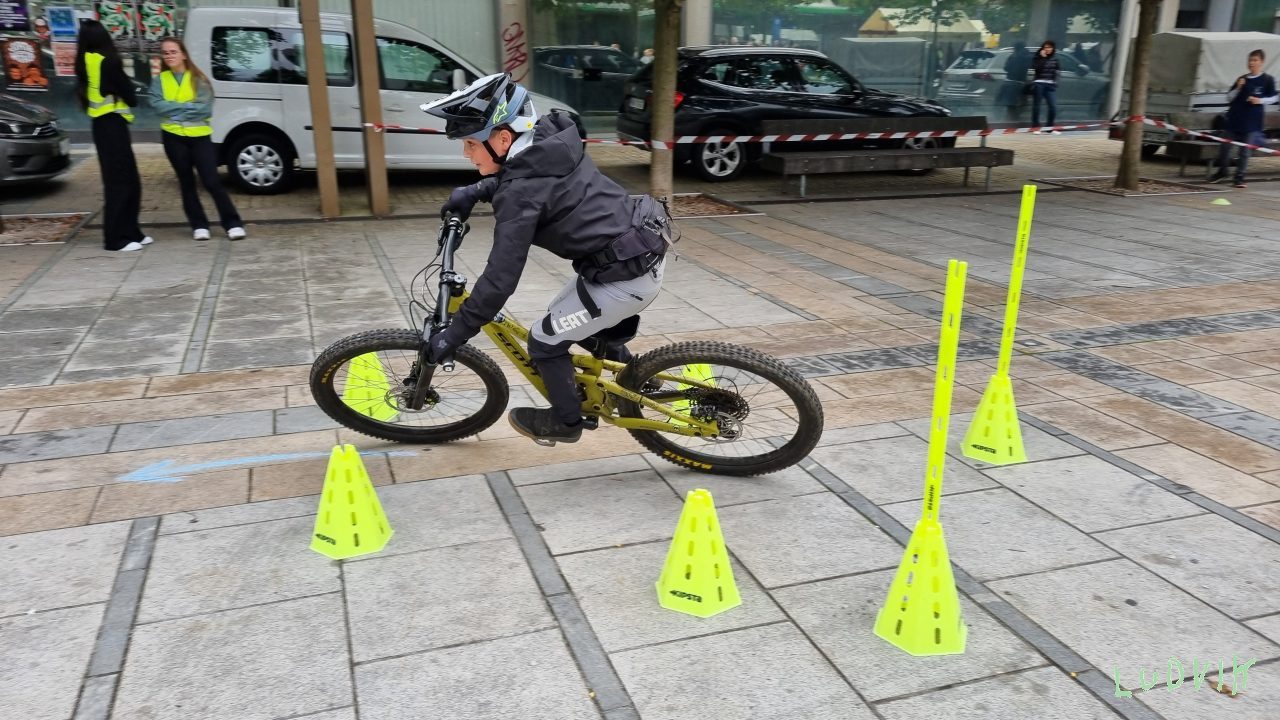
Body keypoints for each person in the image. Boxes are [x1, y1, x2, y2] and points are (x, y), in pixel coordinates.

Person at [421, 73, 671, 445]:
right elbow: (529, 175)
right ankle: (637, 376)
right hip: (633, 254)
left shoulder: (521, 194)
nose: (466, 154)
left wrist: (455, 335)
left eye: (471, 144)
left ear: (503, 139)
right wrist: (475, 190)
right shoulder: (551, 140)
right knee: (564, 315)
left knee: (543, 341)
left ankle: (566, 422)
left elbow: (500, 279)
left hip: (625, 277)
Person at [149, 37, 246, 241]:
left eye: (173, 52)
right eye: (165, 53)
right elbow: (157, 106)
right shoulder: (159, 81)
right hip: (173, 137)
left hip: (200, 137)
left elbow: (204, 110)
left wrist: (174, 109)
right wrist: (188, 107)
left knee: (211, 181)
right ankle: (199, 225)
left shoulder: (198, 79)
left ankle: (233, 223)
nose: (169, 56)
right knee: (186, 182)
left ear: (183, 54)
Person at [75, 20, 151, 252]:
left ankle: (131, 232)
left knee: (123, 181)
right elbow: (131, 97)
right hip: (113, 126)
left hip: (101, 126)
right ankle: (115, 239)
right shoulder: (108, 61)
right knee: (122, 182)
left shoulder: (85, 60)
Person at [1210, 48, 1277, 189]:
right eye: (1250, 60)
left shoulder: (1267, 80)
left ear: (1261, 62)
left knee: (1245, 150)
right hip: (1234, 119)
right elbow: (1229, 97)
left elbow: (1274, 97)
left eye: (1255, 60)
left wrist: (1260, 100)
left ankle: (1239, 177)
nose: (1251, 63)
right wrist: (1238, 88)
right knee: (1225, 146)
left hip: (1252, 122)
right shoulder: (1242, 79)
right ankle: (1222, 172)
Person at [1030, 40, 1060, 134]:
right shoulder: (1037, 57)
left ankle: (1049, 127)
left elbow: (1057, 71)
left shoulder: (1055, 58)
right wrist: (1043, 58)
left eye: (1050, 47)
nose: (1048, 49)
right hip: (1039, 83)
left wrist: (1055, 82)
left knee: (1053, 107)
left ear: (1053, 48)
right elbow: (1037, 68)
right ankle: (1035, 127)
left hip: (1050, 84)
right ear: (1043, 48)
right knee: (1037, 106)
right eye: (1046, 47)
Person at [1001, 41, 1031, 123]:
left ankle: (1012, 119)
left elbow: (1006, 68)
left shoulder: (1012, 56)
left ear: (1015, 48)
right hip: (1021, 82)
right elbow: (1029, 65)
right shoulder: (1027, 56)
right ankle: (1015, 118)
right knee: (1023, 102)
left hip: (1010, 81)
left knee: (1011, 103)